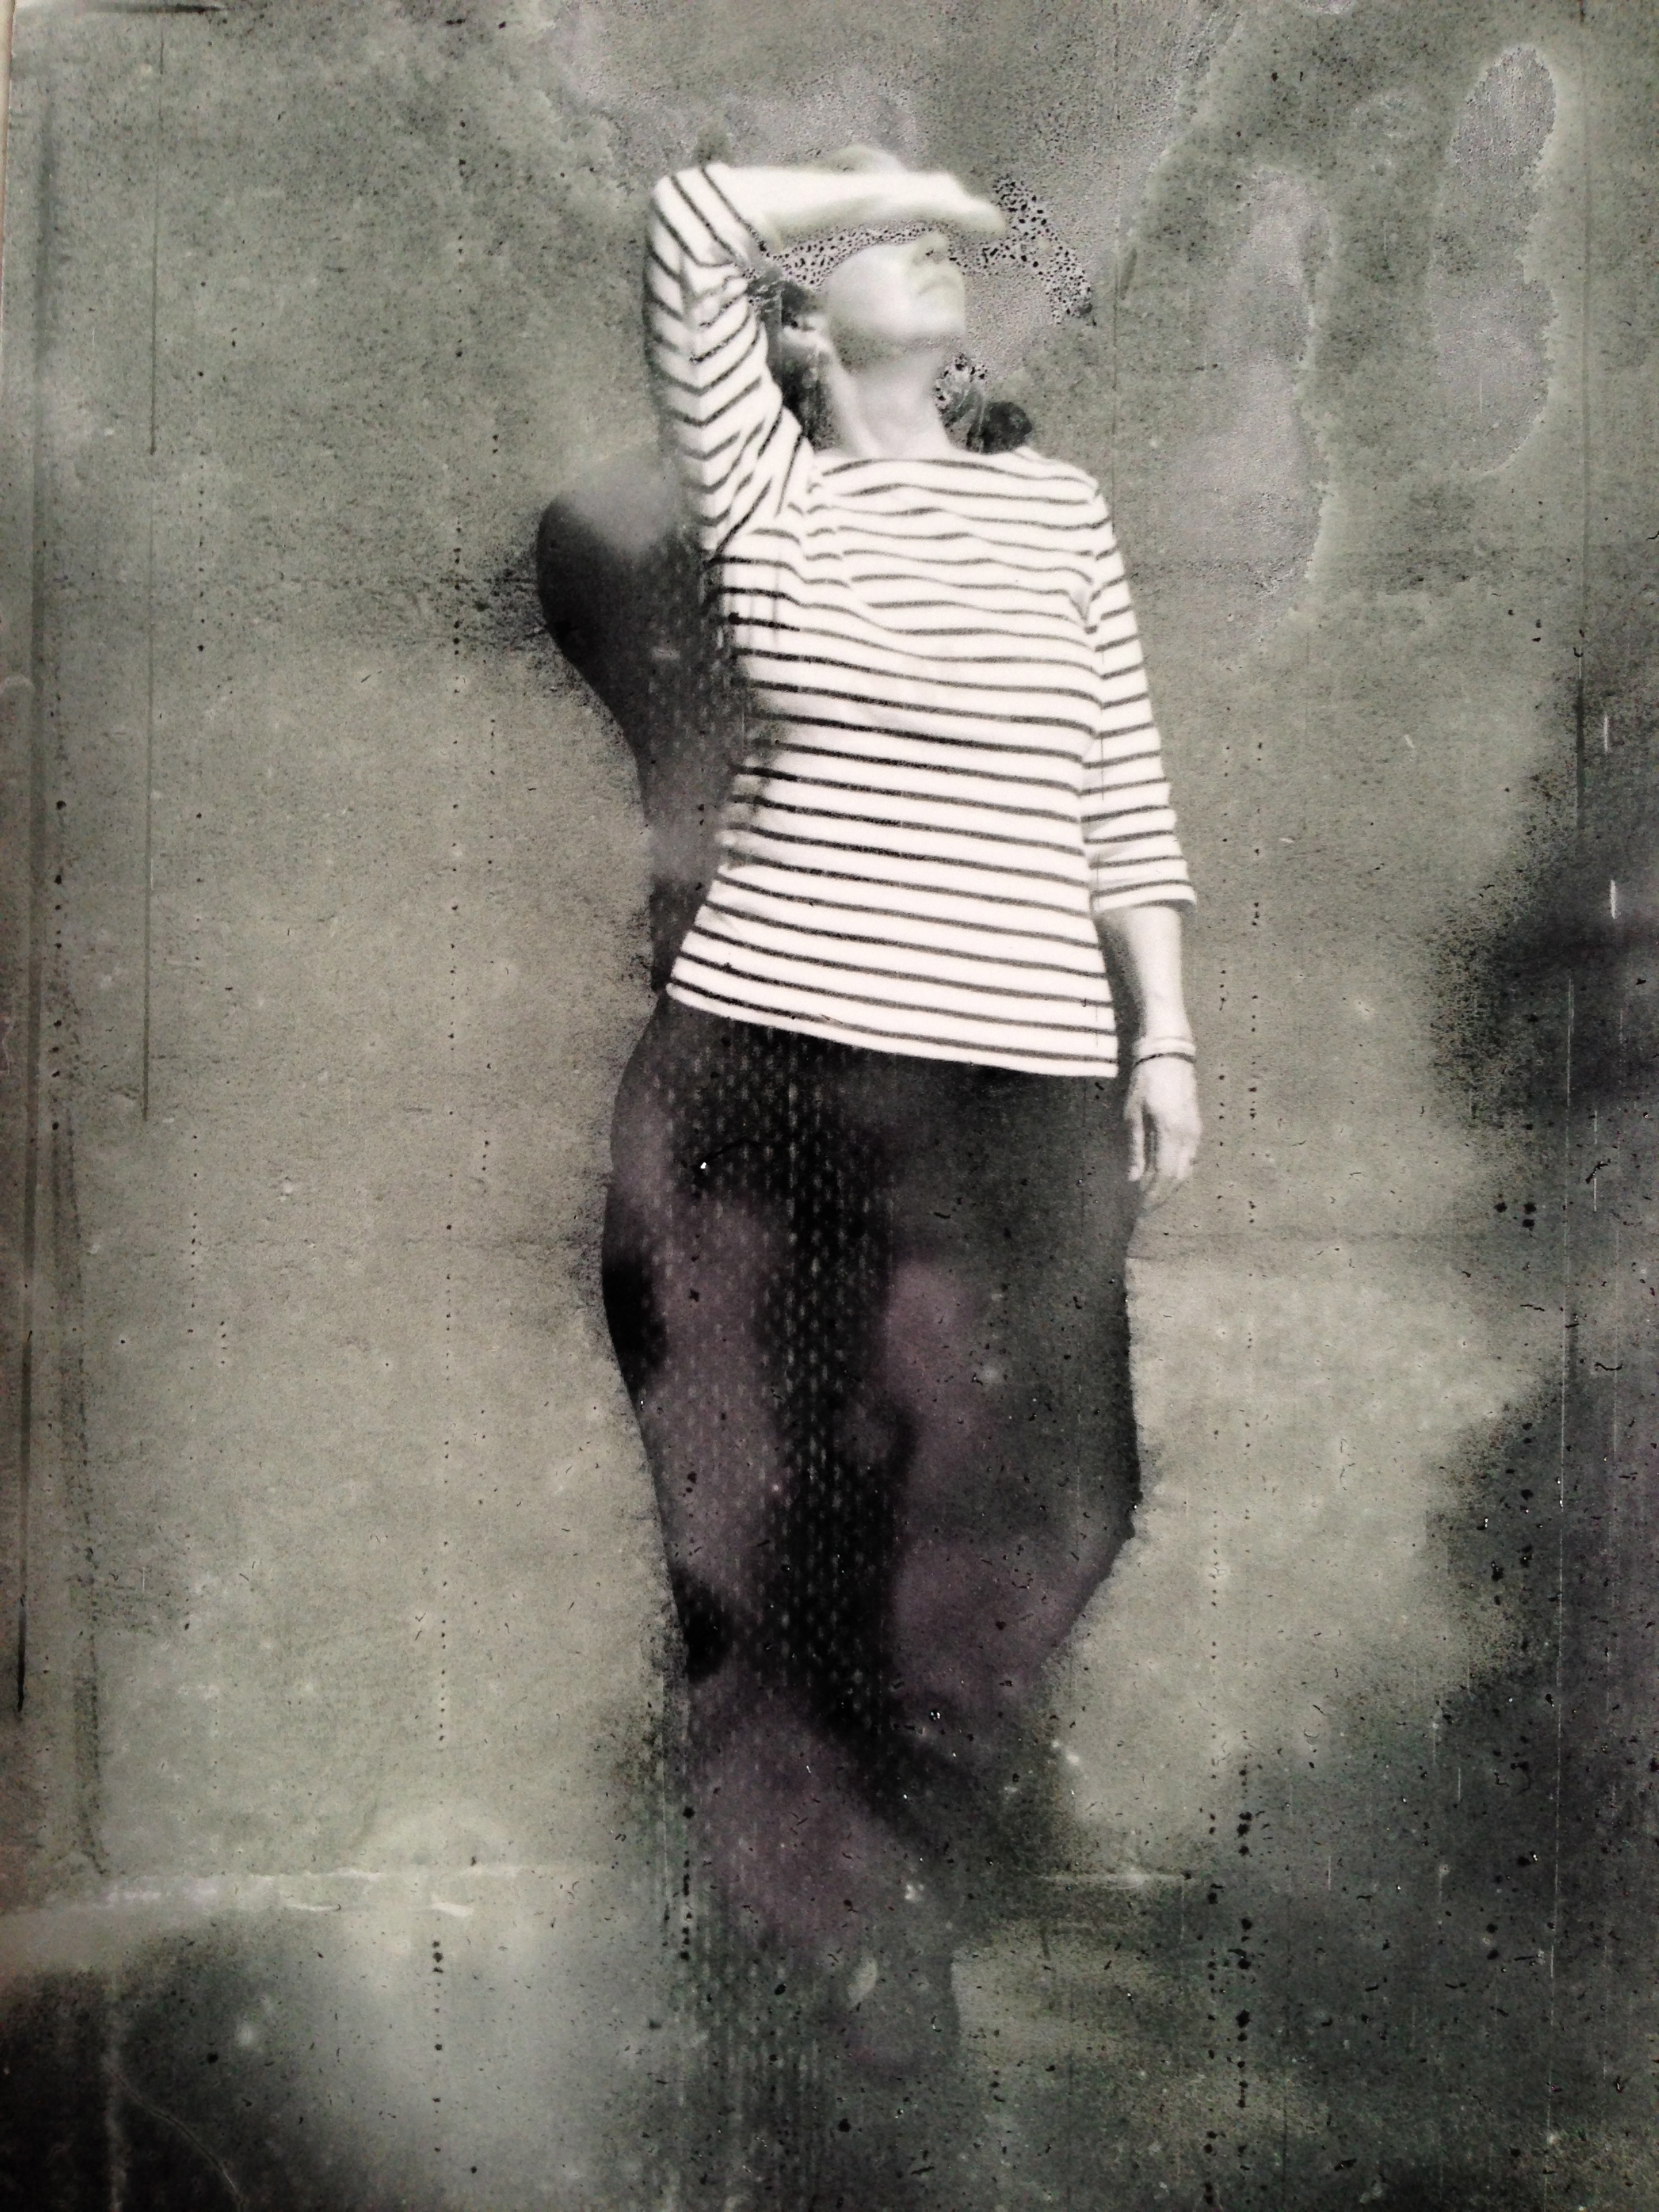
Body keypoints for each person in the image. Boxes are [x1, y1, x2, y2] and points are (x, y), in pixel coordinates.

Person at [555, 148, 1202, 2080]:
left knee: (1064, 1504)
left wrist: (1167, 1035)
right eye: (862, 253)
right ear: (797, 329)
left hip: (1021, 1088)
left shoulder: (1056, 512)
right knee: (761, 1547)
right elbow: (690, 222)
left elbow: (1122, 792)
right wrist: (894, 176)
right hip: (762, 1079)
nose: (912, 252)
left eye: (923, 245)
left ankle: (871, 1866)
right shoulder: (764, 490)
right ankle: (842, 1969)